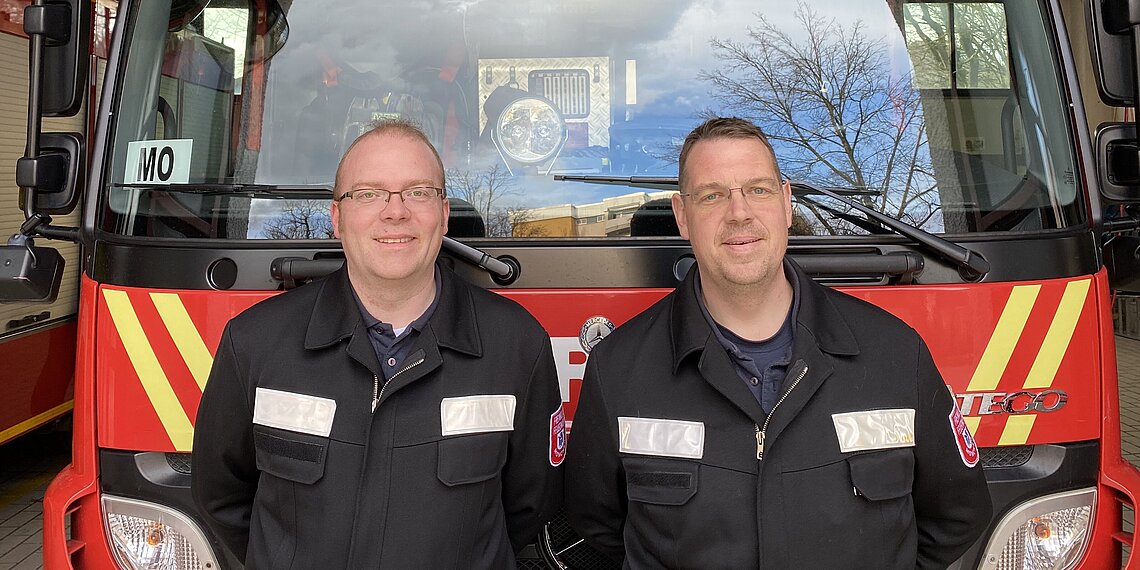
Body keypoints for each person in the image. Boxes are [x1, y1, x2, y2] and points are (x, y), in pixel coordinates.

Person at [563, 117, 992, 569]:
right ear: (682, 216)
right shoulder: (618, 369)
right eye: (712, 195)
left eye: (759, 190)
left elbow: (956, 516)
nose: (739, 212)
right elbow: (598, 525)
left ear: (787, 205)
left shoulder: (896, 355)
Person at [193, 119, 564, 569]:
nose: (395, 212)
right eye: (368, 194)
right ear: (337, 218)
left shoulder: (518, 345)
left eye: (418, 192)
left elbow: (530, 505)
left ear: (444, 214)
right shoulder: (254, 342)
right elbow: (221, 495)